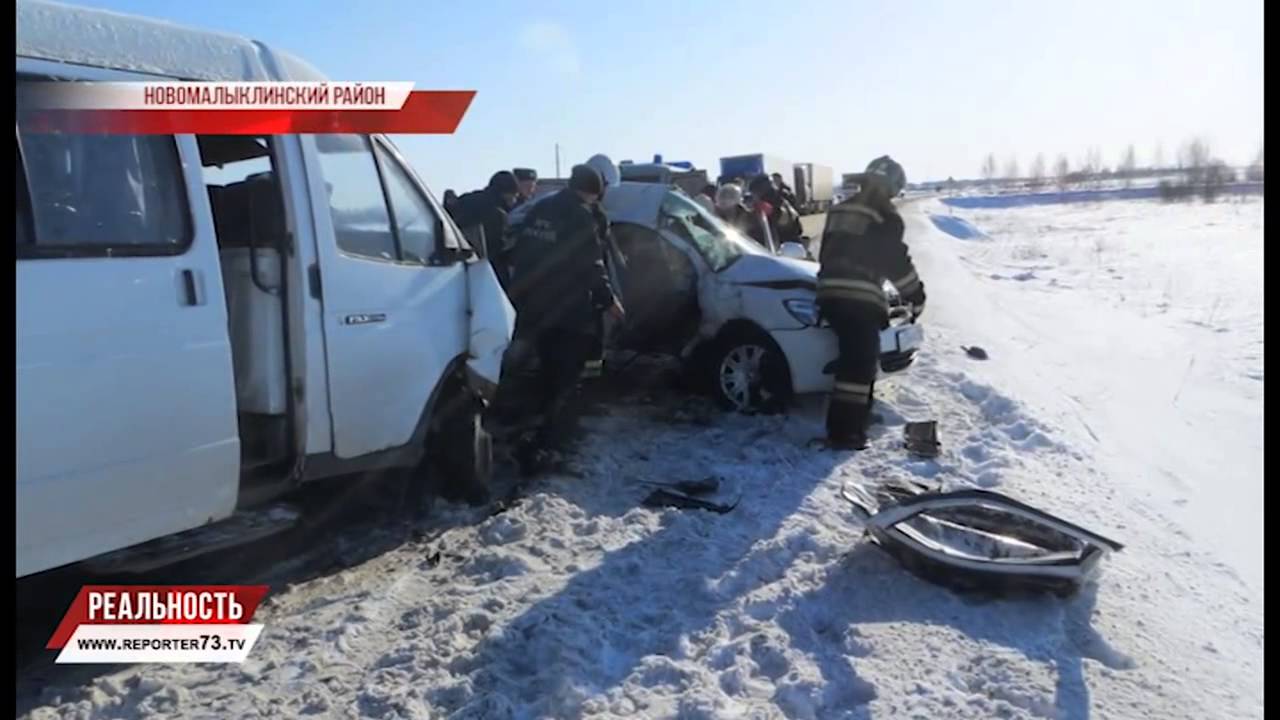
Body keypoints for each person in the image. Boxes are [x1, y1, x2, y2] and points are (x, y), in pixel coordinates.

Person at [506, 164, 624, 475]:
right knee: (566, 381)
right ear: (594, 189)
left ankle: (536, 438)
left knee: (547, 375)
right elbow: (591, 264)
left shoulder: (541, 208)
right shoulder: (580, 215)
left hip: (537, 309)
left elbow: (520, 256)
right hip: (569, 312)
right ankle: (552, 447)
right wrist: (609, 300)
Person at [815, 155, 926, 450]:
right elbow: (895, 261)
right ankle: (845, 433)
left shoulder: (839, 210)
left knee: (858, 356)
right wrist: (916, 295)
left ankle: (856, 416)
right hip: (858, 297)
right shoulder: (885, 216)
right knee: (859, 365)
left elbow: (825, 253)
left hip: (829, 291)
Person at [449, 171, 520, 287]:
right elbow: (497, 250)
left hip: (454, 267)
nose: (515, 201)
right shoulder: (498, 214)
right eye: (515, 196)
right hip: (483, 274)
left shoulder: (466, 200)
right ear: (507, 194)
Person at [748, 174, 803, 249]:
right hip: (767, 248)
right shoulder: (757, 205)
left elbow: (787, 220)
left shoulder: (778, 201)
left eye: (755, 193)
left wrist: (772, 212)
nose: (754, 196)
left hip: (785, 247)